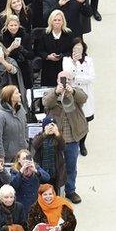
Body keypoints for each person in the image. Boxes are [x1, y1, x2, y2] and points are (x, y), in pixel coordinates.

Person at [42, 71, 88, 203]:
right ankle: (54, 191)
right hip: (56, 137)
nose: (65, 81)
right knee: (54, 166)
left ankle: (70, 190)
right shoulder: (51, 93)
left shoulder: (76, 91)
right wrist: (57, 92)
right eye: (63, 79)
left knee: (71, 166)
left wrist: (72, 92)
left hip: (72, 138)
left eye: (68, 79)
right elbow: (46, 102)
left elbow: (84, 98)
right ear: (57, 80)